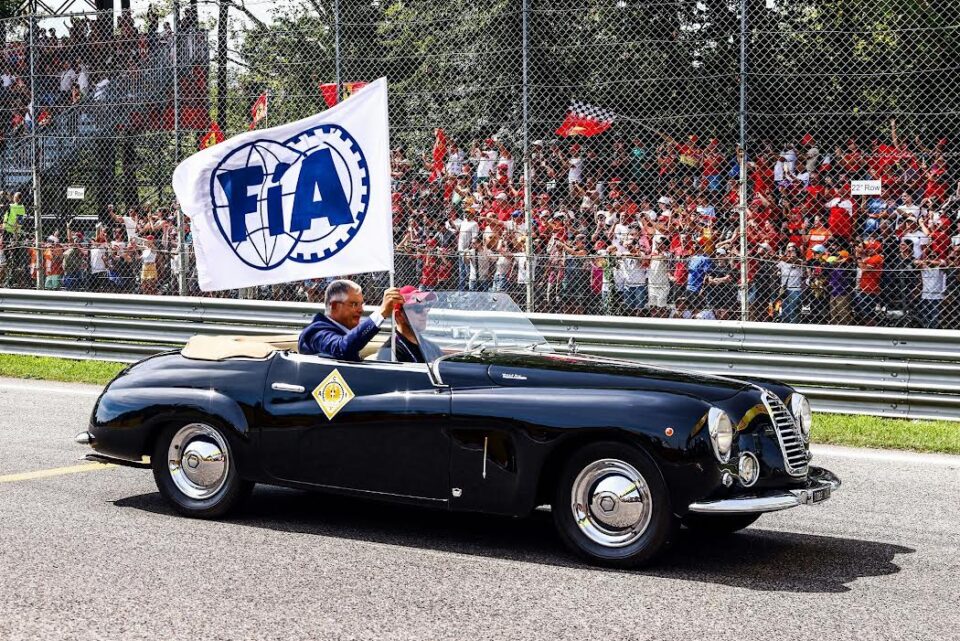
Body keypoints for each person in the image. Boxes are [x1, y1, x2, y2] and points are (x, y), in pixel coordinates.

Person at [298, 280, 403, 360]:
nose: (361, 310)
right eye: (354, 304)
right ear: (334, 306)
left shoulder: (344, 332)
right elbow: (342, 348)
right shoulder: (316, 332)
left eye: (361, 304)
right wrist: (381, 312)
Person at [377, 286, 443, 363]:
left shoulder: (433, 348)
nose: (425, 312)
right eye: (418, 308)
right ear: (399, 315)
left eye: (426, 306)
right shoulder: (390, 352)